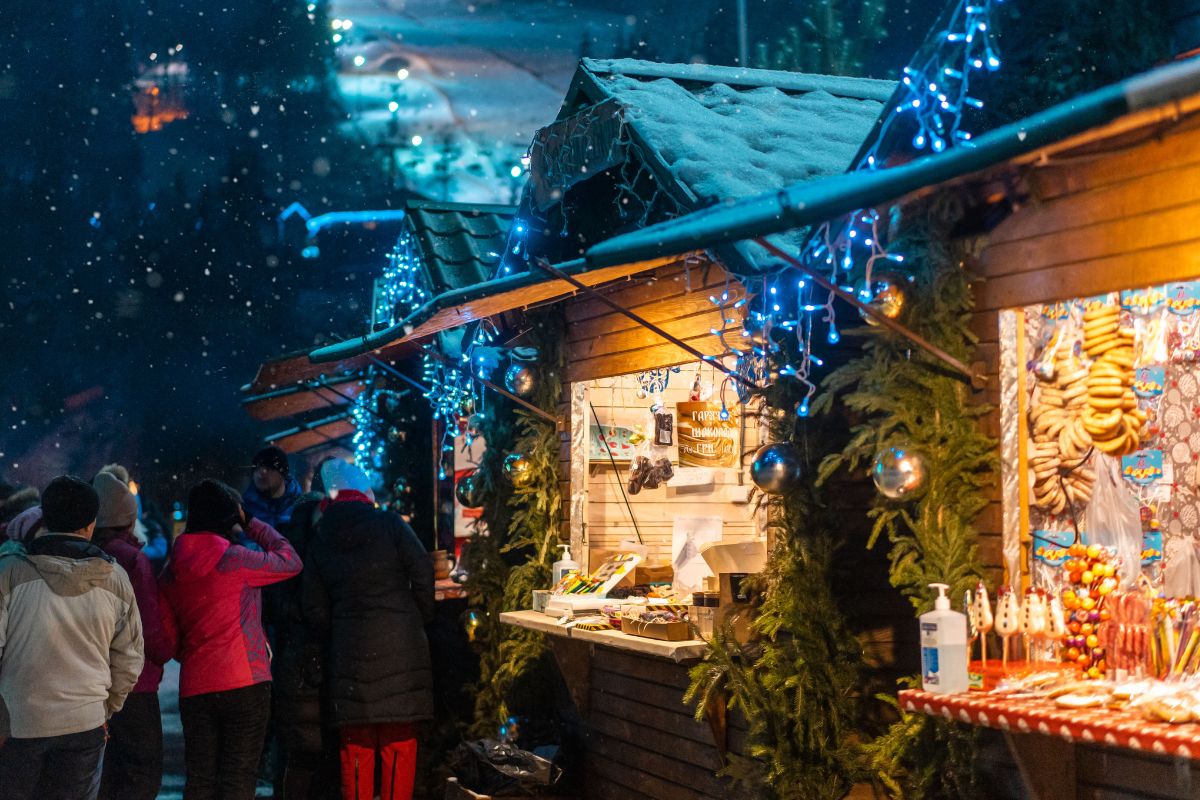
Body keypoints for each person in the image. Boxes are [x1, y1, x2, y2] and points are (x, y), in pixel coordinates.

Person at [0, 475, 145, 800]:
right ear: (92, 523)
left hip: (18, 723)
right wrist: (105, 708)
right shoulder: (115, 578)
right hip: (84, 722)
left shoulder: (10, 571)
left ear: (45, 517)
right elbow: (131, 657)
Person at [160, 478, 302, 800]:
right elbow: (290, 560)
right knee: (238, 777)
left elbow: (169, 633)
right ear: (229, 516)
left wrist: (193, 653)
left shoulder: (172, 569)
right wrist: (251, 523)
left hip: (196, 684)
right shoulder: (237, 560)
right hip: (244, 680)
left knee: (200, 778)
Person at [304, 460, 434, 800]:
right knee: (399, 746)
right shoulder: (390, 524)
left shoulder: (320, 540)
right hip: (401, 653)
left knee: (356, 752)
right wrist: (416, 617)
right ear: (364, 493)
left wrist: (340, 632)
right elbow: (423, 571)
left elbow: (314, 610)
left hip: (349, 657)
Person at [92, 471, 173, 800]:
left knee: (107, 774)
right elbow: (147, 627)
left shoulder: (87, 555)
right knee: (141, 772)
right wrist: (167, 649)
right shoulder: (133, 560)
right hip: (136, 683)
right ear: (128, 518)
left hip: (95, 682)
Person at [266, 457, 341, 799]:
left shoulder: (283, 537)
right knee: (325, 753)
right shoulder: (332, 535)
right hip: (324, 653)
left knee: (296, 753)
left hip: (291, 655)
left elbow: (275, 600)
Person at [243, 445, 303, 533]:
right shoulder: (245, 508)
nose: (261, 473)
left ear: (282, 472)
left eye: (268, 467)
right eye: (256, 468)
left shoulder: (300, 505)